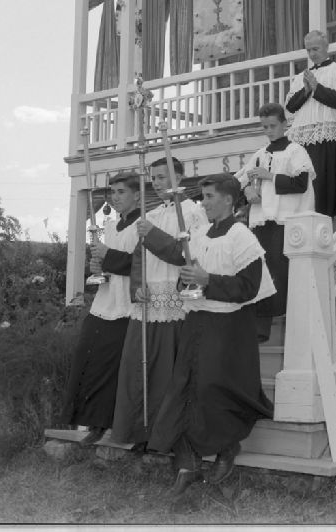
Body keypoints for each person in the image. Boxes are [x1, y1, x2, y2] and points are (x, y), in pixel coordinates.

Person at [140, 174, 275, 499]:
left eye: (209, 196)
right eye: (202, 197)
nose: (204, 203)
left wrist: (207, 279)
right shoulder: (200, 234)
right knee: (184, 389)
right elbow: (183, 263)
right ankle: (188, 465)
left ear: (228, 199)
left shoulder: (242, 237)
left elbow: (248, 287)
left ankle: (227, 449)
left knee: (215, 390)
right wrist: (184, 274)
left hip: (229, 327)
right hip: (197, 320)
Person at [107, 157, 209, 449]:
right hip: (147, 300)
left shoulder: (193, 213)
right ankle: (139, 433)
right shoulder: (150, 214)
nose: (157, 183)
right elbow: (139, 258)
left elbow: (186, 255)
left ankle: (166, 437)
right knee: (137, 368)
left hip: (175, 302)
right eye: (154, 178)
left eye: (163, 177)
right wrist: (137, 286)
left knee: (165, 371)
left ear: (180, 177)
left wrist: (151, 234)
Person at [59, 172, 140, 445]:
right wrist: (97, 265)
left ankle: (109, 424)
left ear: (137, 195)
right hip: (104, 301)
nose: (115, 197)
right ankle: (91, 421)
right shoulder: (112, 225)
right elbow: (107, 261)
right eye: (112, 192)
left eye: (121, 192)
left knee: (112, 366)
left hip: (127, 304)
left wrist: (108, 257)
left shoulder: (143, 225)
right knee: (87, 356)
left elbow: (141, 265)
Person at [235, 103, 316, 342]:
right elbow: (240, 181)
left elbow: (300, 184)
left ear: (284, 124)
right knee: (260, 272)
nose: (269, 131)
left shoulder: (296, 151)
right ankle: (260, 329)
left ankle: (290, 324)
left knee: (281, 272)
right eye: (265, 127)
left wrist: (269, 176)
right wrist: (248, 190)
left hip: (286, 221)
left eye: (272, 126)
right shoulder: (260, 154)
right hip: (261, 221)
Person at [284, 30, 336, 218]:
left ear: (326, 47)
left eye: (315, 49)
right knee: (305, 186)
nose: (312, 54)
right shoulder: (300, 77)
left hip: (329, 137)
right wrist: (306, 90)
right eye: (308, 50)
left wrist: (317, 88)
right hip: (302, 139)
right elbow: (291, 106)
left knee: (323, 187)